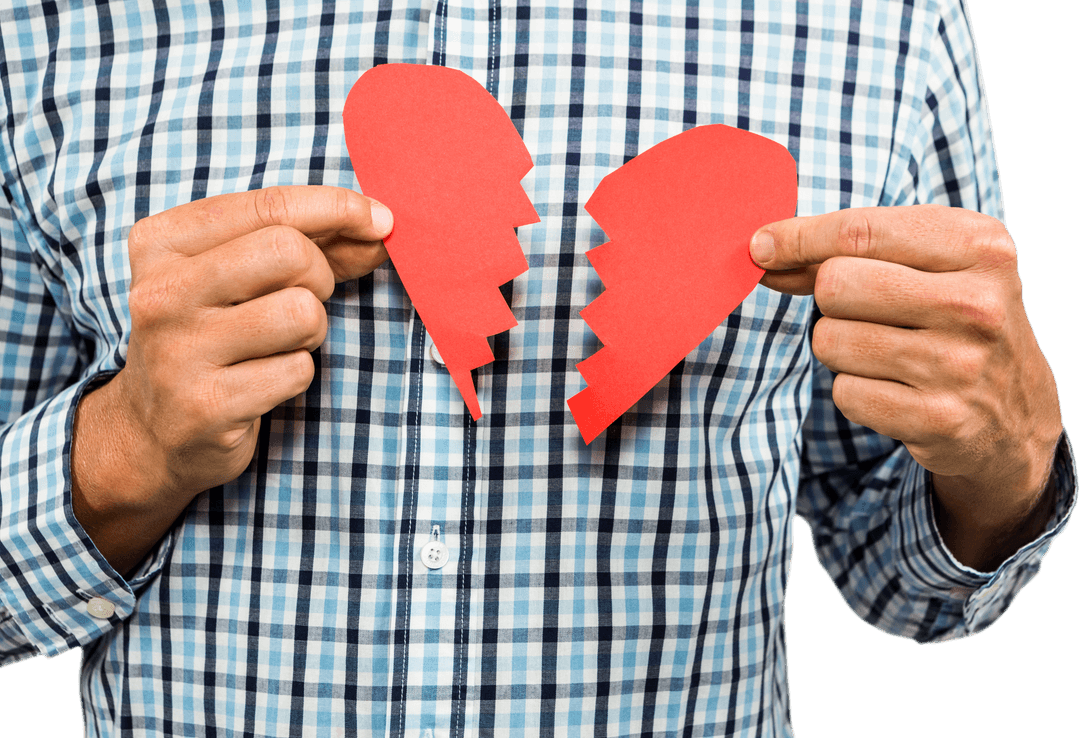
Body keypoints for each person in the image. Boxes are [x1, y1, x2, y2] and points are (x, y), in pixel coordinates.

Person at [0, 1, 1073, 736]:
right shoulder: (53, 22)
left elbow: (906, 574)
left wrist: (1009, 470)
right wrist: (125, 450)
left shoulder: (879, 23)